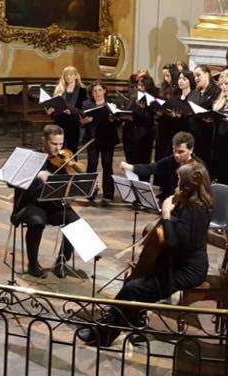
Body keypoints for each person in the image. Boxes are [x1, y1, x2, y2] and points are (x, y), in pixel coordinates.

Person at [78, 161, 213, 347]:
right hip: (176, 262)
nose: (176, 186)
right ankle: (125, 323)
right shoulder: (192, 204)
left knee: (133, 289)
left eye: (179, 182)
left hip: (187, 270)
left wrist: (166, 213)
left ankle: (104, 334)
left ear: (188, 186)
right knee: (133, 282)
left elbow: (173, 242)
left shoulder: (195, 211)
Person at [12, 125, 81, 279]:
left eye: (60, 144)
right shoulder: (32, 157)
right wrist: (36, 175)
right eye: (54, 144)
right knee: (36, 222)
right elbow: (12, 181)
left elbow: (70, 185)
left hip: (54, 204)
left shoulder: (63, 160)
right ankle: (33, 263)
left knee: (74, 222)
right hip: (32, 203)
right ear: (44, 140)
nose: (58, 149)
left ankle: (61, 261)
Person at [121, 131, 198, 203]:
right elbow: (152, 168)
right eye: (174, 150)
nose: (176, 155)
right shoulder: (171, 160)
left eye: (181, 152)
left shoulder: (197, 168)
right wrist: (131, 167)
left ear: (191, 150)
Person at [81, 81, 118, 206]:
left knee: (107, 165)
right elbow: (82, 122)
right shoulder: (87, 104)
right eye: (94, 91)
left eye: (99, 90)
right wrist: (87, 120)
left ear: (104, 91)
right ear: (92, 93)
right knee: (92, 164)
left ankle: (108, 193)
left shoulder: (111, 104)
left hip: (108, 138)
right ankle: (90, 192)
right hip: (93, 138)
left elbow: (118, 121)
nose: (97, 93)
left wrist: (113, 119)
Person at [47, 66, 88, 152]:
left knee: (72, 149)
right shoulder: (59, 89)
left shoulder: (82, 91)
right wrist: (50, 112)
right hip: (59, 122)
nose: (68, 77)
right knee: (57, 150)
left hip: (73, 123)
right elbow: (54, 106)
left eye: (71, 75)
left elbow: (84, 111)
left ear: (76, 76)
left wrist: (72, 111)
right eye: (66, 75)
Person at [190, 65, 221, 169]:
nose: (196, 78)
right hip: (194, 135)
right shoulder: (194, 92)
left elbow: (216, 111)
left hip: (208, 136)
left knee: (204, 167)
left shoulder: (216, 91)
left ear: (207, 74)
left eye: (198, 75)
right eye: (194, 76)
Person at [123, 76, 158, 168]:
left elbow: (150, 119)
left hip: (143, 135)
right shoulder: (133, 96)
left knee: (143, 164)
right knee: (130, 162)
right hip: (129, 133)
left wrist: (143, 110)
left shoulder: (152, 99)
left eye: (143, 86)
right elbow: (127, 110)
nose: (140, 88)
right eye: (139, 85)